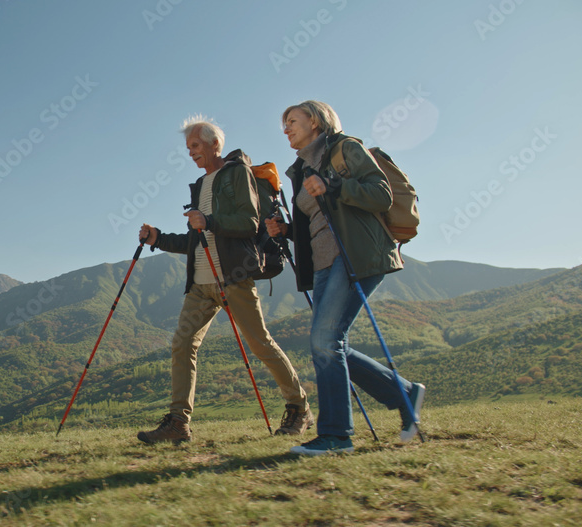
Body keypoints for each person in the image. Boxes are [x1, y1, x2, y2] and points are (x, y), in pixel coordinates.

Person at [136, 115, 312, 444]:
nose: (191, 153)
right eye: (188, 148)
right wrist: (157, 238)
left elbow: (248, 222)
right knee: (182, 344)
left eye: (196, 145)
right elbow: (196, 240)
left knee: (260, 345)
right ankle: (178, 423)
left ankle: (299, 407)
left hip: (233, 277)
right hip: (201, 283)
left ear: (215, 144)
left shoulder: (237, 174)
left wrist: (210, 220)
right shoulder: (201, 185)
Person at [265, 100, 426, 456]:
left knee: (325, 342)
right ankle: (404, 393)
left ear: (317, 121)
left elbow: (380, 194)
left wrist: (334, 187)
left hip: (356, 255)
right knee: (331, 345)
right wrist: (287, 230)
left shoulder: (345, 149)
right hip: (322, 264)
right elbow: (317, 222)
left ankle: (336, 435)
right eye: (284, 124)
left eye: (292, 120)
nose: (286, 128)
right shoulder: (298, 169)